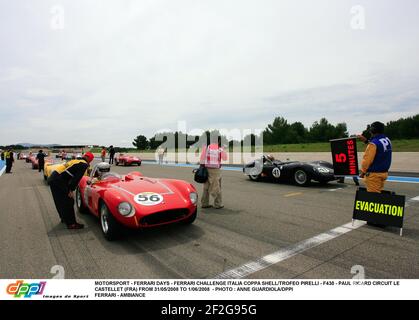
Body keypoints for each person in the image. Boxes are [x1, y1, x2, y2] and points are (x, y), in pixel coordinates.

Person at [47, 152, 94, 229]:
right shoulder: (83, 164)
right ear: (89, 159)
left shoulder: (76, 160)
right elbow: (76, 179)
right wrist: (71, 190)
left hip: (53, 178)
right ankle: (71, 223)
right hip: (59, 180)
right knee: (69, 201)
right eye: (90, 160)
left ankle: (64, 218)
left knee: (59, 200)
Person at [359, 121, 392, 193]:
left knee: (373, 199)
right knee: (378, 195)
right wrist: (366, 141)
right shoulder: (387, 140)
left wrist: (363, 172)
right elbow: (379, 148)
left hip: (374, 175)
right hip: (384, 172)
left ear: (372, 130)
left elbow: (367, 160)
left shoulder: (373, 144)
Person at [199, 136, 228, 209]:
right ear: (218, 141)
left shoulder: (207, 148)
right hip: (215, 170)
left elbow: (202, 158)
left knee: (206, 187)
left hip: (206, 169)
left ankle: (204, 203)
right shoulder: (219, 149)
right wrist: (224, 149)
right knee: (217, 186)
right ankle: (218, 204)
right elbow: (225, 158)